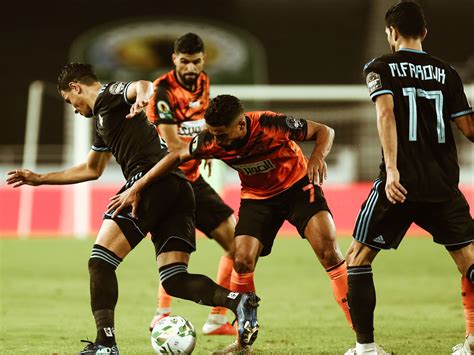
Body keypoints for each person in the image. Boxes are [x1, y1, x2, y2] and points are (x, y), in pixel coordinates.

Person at [6, 63, 260, 354]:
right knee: (175, 280)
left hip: (150, 184)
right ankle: (237, 301)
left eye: (69, 101)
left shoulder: (107, 96)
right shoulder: (104, 123)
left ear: (76, 87)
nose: (74, 109)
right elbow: (92, 169)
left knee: (100, 262)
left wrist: (142, 96)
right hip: (179, 188)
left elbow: (141, 85)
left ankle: (105, 344)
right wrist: (40, 179)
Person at [107, 94, 354, 353]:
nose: (217, 141)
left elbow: (325, 131)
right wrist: (137, 187)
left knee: (329, 253)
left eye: (222, 135)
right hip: (258, 199)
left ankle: (362, 340)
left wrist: (316, 157)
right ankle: (242, 343)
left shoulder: (270, 124)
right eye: (213, 134)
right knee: (242, 259)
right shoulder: (210, 140)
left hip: (298, 188)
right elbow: (175, 157)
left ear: (241, 125)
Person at [343, 2, 474, 354]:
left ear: (391, 33)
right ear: (425, 32)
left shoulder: (380, 67)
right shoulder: (447, 73)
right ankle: (473, 342)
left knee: (357, 257)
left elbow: (385, 113)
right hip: (443, 184)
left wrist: (392, 168)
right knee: (469, 262)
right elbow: (469, 129)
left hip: (398, 185)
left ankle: (366, 349)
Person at [146, 32, 237, 336]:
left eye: (195, 61)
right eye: (184, 61)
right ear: (174, 59)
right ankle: (161, 315)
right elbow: (173, 145)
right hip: (168, 181)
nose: (190, 68)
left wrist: (208, 144)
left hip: (194, 179)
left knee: (238, 245)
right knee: (174, 255)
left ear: (203, 60)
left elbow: (206, 127)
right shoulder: (162, 91)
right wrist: (208, 146)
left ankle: (217, 318)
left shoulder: (204, 82)